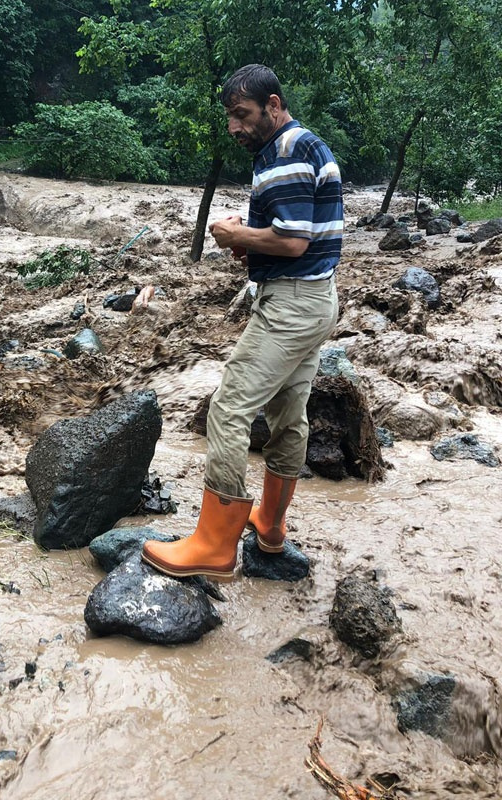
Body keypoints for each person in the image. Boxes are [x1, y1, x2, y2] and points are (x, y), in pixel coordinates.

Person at [142, 64, 342, 579]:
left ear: (273, 105)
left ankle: (214, 545)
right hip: (316, 299)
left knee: (228, 410)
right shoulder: (299, 148)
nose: (234, 126)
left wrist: (236, 237)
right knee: (287, 414)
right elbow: (298, 238)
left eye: (242, 114)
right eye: (230, 116)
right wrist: (249, 237)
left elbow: (293, 240)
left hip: (292, 305)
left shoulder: (288, 151)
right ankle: (270, 526)